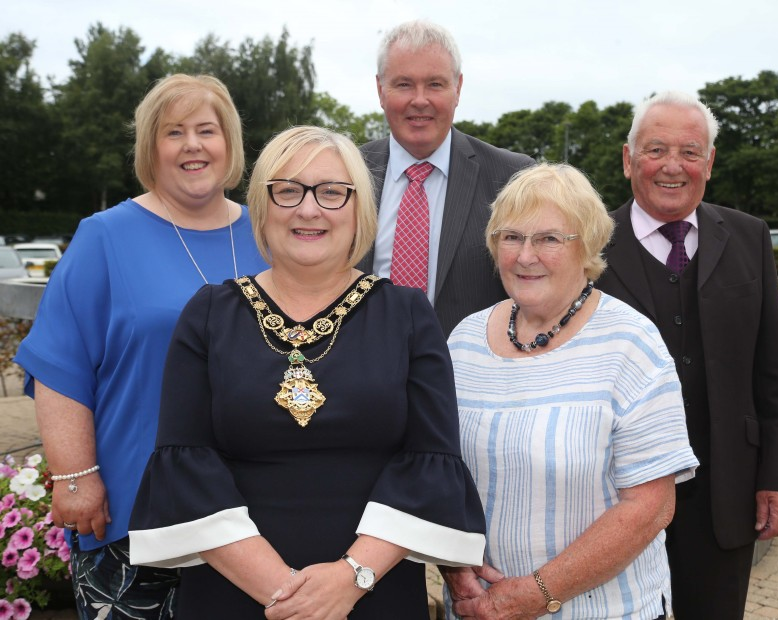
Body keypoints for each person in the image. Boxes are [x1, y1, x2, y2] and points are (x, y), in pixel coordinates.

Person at [127, 125, 487, 619]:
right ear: (261, 204)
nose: (309, 209)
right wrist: (289, 596)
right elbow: (186, 465)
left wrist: (349, 579)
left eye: (332, 192)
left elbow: (430, 458)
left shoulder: (407, 314)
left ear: (359, 208)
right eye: (288, 190)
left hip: (372, 593)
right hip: (234, 592)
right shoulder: (209, 313)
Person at [13, 73, 268, 618]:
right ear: (151, 148)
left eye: (207, 130)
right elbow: (60, 366)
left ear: (231, 143)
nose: (193, 145)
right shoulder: (105, 236)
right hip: (137, 512)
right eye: (174, 132)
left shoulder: (267, 234)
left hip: (257, 515)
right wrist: (76, 478)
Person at [443, 163, 699, 619]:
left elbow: (650, 506)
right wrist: (451, 565)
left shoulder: (630, 343)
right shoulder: (463, 341)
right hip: (478, 608)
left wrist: (536, 593)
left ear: (587, 247)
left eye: (548, 239)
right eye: (511, 237)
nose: (525, 256)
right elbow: (437, 469)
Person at [595, 91, 778, 619]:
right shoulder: (590, 247)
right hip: (613, 501)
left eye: (690, 151)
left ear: (709, 163)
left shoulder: (749, 236)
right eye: (655, 149)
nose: (672, 166)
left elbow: (774, 373)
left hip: (725, 497)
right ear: (628, 159)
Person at [359, 20, 532, 337]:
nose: (420, 100)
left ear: (458, 89)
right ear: (380, 90)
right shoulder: (345, 174)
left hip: (471, 377)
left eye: (435, 84)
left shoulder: (513, 178)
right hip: (358, 375)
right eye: (404, 84)